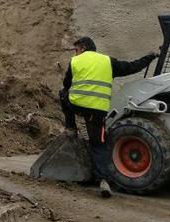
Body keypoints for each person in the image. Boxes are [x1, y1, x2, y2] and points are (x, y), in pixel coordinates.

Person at [60, 37, 158, 198]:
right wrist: (149, 57)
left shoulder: (75, 61)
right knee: (98, 144)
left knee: (62, 94)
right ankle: (103, 181)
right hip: (97, 111)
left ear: (83, 48)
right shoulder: (107, 62)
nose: (76, 52)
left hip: (77, 105)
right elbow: (132, 67)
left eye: (76, 49)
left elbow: (66, 85)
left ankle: (71, 128)